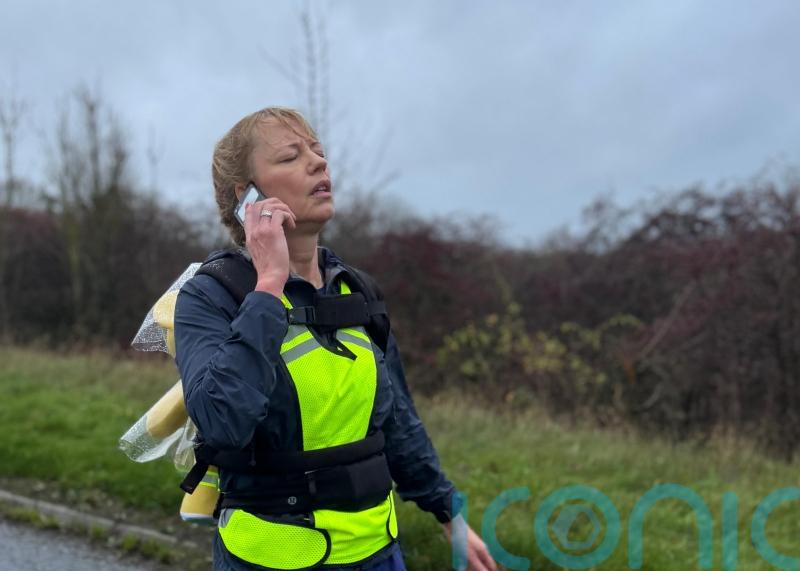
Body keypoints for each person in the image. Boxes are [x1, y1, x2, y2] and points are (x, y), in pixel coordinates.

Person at [174, 107, 497, 571]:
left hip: (378, 555)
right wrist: (268, 286)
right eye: (291, 156)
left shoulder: (357, 291)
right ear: (245, 196)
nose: (319, 163)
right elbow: (222, 420)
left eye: (318, 151)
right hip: (270, 561)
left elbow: (398, 421)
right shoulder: (211, 295)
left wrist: (450, 515)